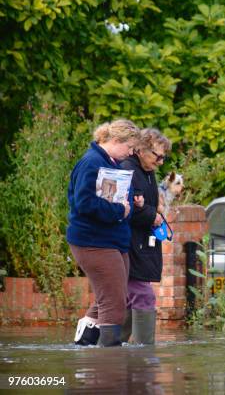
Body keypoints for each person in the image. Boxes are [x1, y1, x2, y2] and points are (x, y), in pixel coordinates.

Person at [68, 119, 141, 347]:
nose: (130, 153)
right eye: (129, 147)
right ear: (116, 140)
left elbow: (121, 200)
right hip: (93, 242)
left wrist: (129, 206)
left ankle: (84, 343)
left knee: (114, 296)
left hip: (114, 241)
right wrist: (120, 210)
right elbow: (85, 203)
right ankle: (109, 362)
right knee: (114, 304)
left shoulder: (113, 164)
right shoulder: (91, 162)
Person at [119, 128, 171, 344]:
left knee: (129, 299)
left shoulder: (147, 170)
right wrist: (152, 215)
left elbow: (145, 203)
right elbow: (124, 207)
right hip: (129, 244)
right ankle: (142, 352)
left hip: (143, 244)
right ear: (140, 149)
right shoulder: (127, 170)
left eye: (163, 158)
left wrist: (155, 208)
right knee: (143, 295)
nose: (160, 162)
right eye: (157, 156)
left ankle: (116, 347)